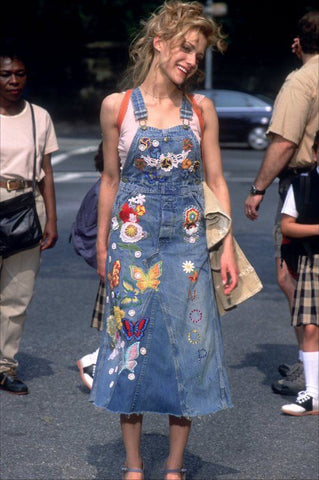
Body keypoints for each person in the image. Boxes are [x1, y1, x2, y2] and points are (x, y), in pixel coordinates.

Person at [89, 2, 238, 479]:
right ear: (158, 43)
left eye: (199, 52)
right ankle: (134, 466)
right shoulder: (117, 106)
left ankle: (173, 467)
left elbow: (215, 180)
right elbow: (111, 181)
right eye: (186, 48)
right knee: (127, 345)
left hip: (188, 244)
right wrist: (101, 247)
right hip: (131, 243)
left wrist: (228, 248)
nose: (192, 60)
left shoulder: (201, 111)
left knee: (190, 347)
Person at [244, 10, 319, 396]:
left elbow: (286, 142)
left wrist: (257, 188)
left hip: (306, 189)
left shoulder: (301, 81)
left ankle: (312, 369)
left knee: (294, 279)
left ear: (299, 41)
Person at [0, 39, 58, 395]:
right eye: (5, 74)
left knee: (17, 295)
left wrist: (51, 219)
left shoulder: (39, 117)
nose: (13, 80)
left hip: (25, 206)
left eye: (19, 74)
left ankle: (5, 367)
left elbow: (46, 173)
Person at [280, 130, 319, 416]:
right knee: (310, 327)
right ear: (315, 153)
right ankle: (314, 394)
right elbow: (287, 226)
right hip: (312, 260)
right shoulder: (303, 184)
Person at [70, 142, 105, 390]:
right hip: (122, 259)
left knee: (129, 318)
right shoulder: (107, 188)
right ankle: (96, 362)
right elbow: (85, 232)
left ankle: (99, 361)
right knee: (128, 318)